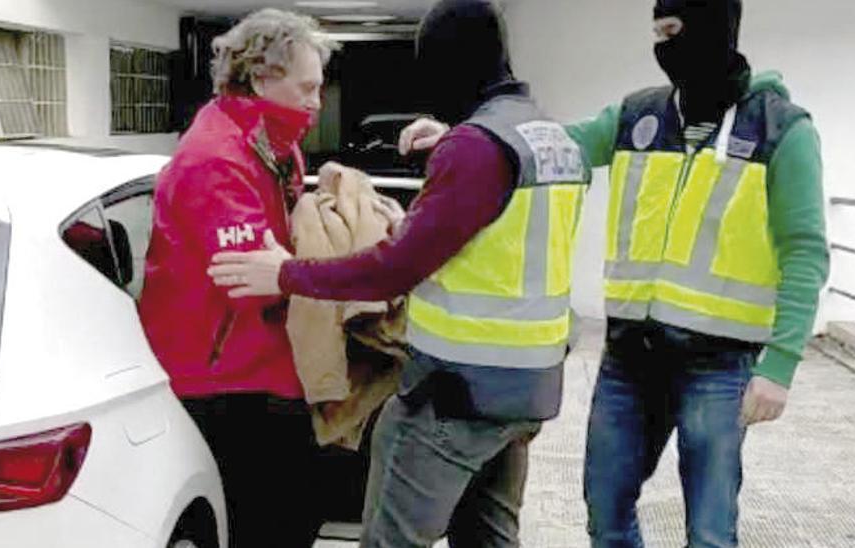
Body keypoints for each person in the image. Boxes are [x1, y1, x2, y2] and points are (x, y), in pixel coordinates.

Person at [399, 1, 829, 546]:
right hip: (632, 357)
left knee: (710, 528)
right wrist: (464, 135)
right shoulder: (638, 116)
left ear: (716, 28)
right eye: (656, 33)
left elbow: (805, 250)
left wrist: (781, 364)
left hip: (718, 364)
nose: (662, 46)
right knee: (605, 510)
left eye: (673, 31)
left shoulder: (781, 130)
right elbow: (549, 148)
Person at [208, 1, 589, 546]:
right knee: (489, 536)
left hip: (456, 393)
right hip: (528, 387)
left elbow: (393, 270)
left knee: (392, 538)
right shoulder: (548, 139)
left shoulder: (476, 149)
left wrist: (287, 273)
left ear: (452, 61)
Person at [135, 9, 334, 548]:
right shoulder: (216, 160)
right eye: (308, 88)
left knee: (296, 511)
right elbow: (251, 279)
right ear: (264, 77)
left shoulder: (274, 144)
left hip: (259, 364)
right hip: (226, 375)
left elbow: (279, 256)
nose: (317, 101)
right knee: (273, 522)